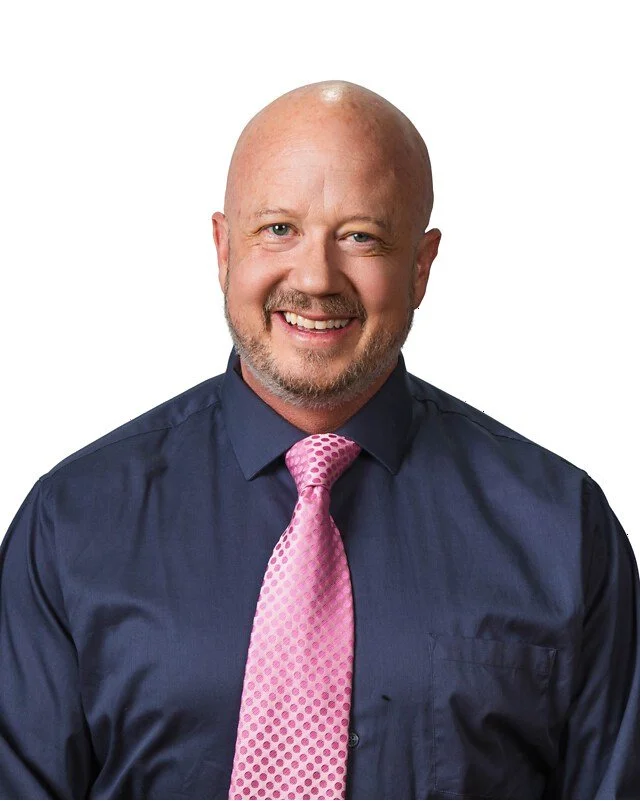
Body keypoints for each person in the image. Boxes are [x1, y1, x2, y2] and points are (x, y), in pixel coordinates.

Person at [0, 79, 638, 800]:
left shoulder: (561, 529)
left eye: (360, 235)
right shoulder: (71, 524)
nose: (314, 276)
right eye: (279, 228)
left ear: (421, 265)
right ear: (222, 246)